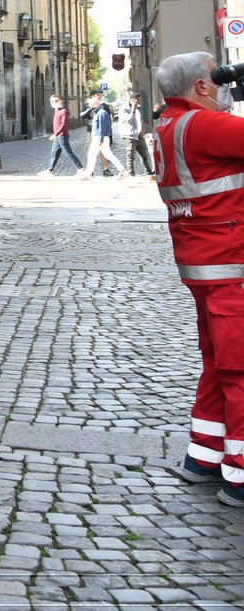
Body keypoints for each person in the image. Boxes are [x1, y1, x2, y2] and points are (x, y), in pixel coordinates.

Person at [151, 52, 244, 503]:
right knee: (240, 369)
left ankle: (204, 454)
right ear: (203, 88)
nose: (224, 87)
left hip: (205, 266)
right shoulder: (206, 126)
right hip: (233, 264)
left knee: (220, 363)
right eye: (217, 79)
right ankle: (241, 475)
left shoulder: (170, 125)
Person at [79, 91, 127, 180]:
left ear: (95, 104)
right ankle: (123, 171)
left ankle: (88, 173)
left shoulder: (101, 113)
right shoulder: (99, 112)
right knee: (107, 155)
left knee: (93, 155)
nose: (90, 106)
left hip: (99, 138)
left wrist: (100, 139)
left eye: (91, 104)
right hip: (99, 137)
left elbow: (102, 127)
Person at [38, 93, 84, 176]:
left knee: (68, 152)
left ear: (61, 101)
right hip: (58, 136)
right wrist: (56, 135)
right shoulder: (56, 111)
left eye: (56, 101)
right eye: (52, 101)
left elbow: (63, 125)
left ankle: (80, 168)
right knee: (54, 153)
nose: (54, 103)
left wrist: (55, 134)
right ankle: (49, 170)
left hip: (62, 136)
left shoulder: (64, 111)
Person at [124, 93, 155, 177]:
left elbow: (140, 121)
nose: (140, 102)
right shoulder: (125, 109)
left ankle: (148, 171)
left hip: (139, 135)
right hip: (130, 135)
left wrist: (142, 131)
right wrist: (133, 109)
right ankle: (131, 173)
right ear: (133, 100)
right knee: (131, 155)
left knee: (144, 155)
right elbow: (129, 121)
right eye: (139, 100)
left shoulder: (139, 109)